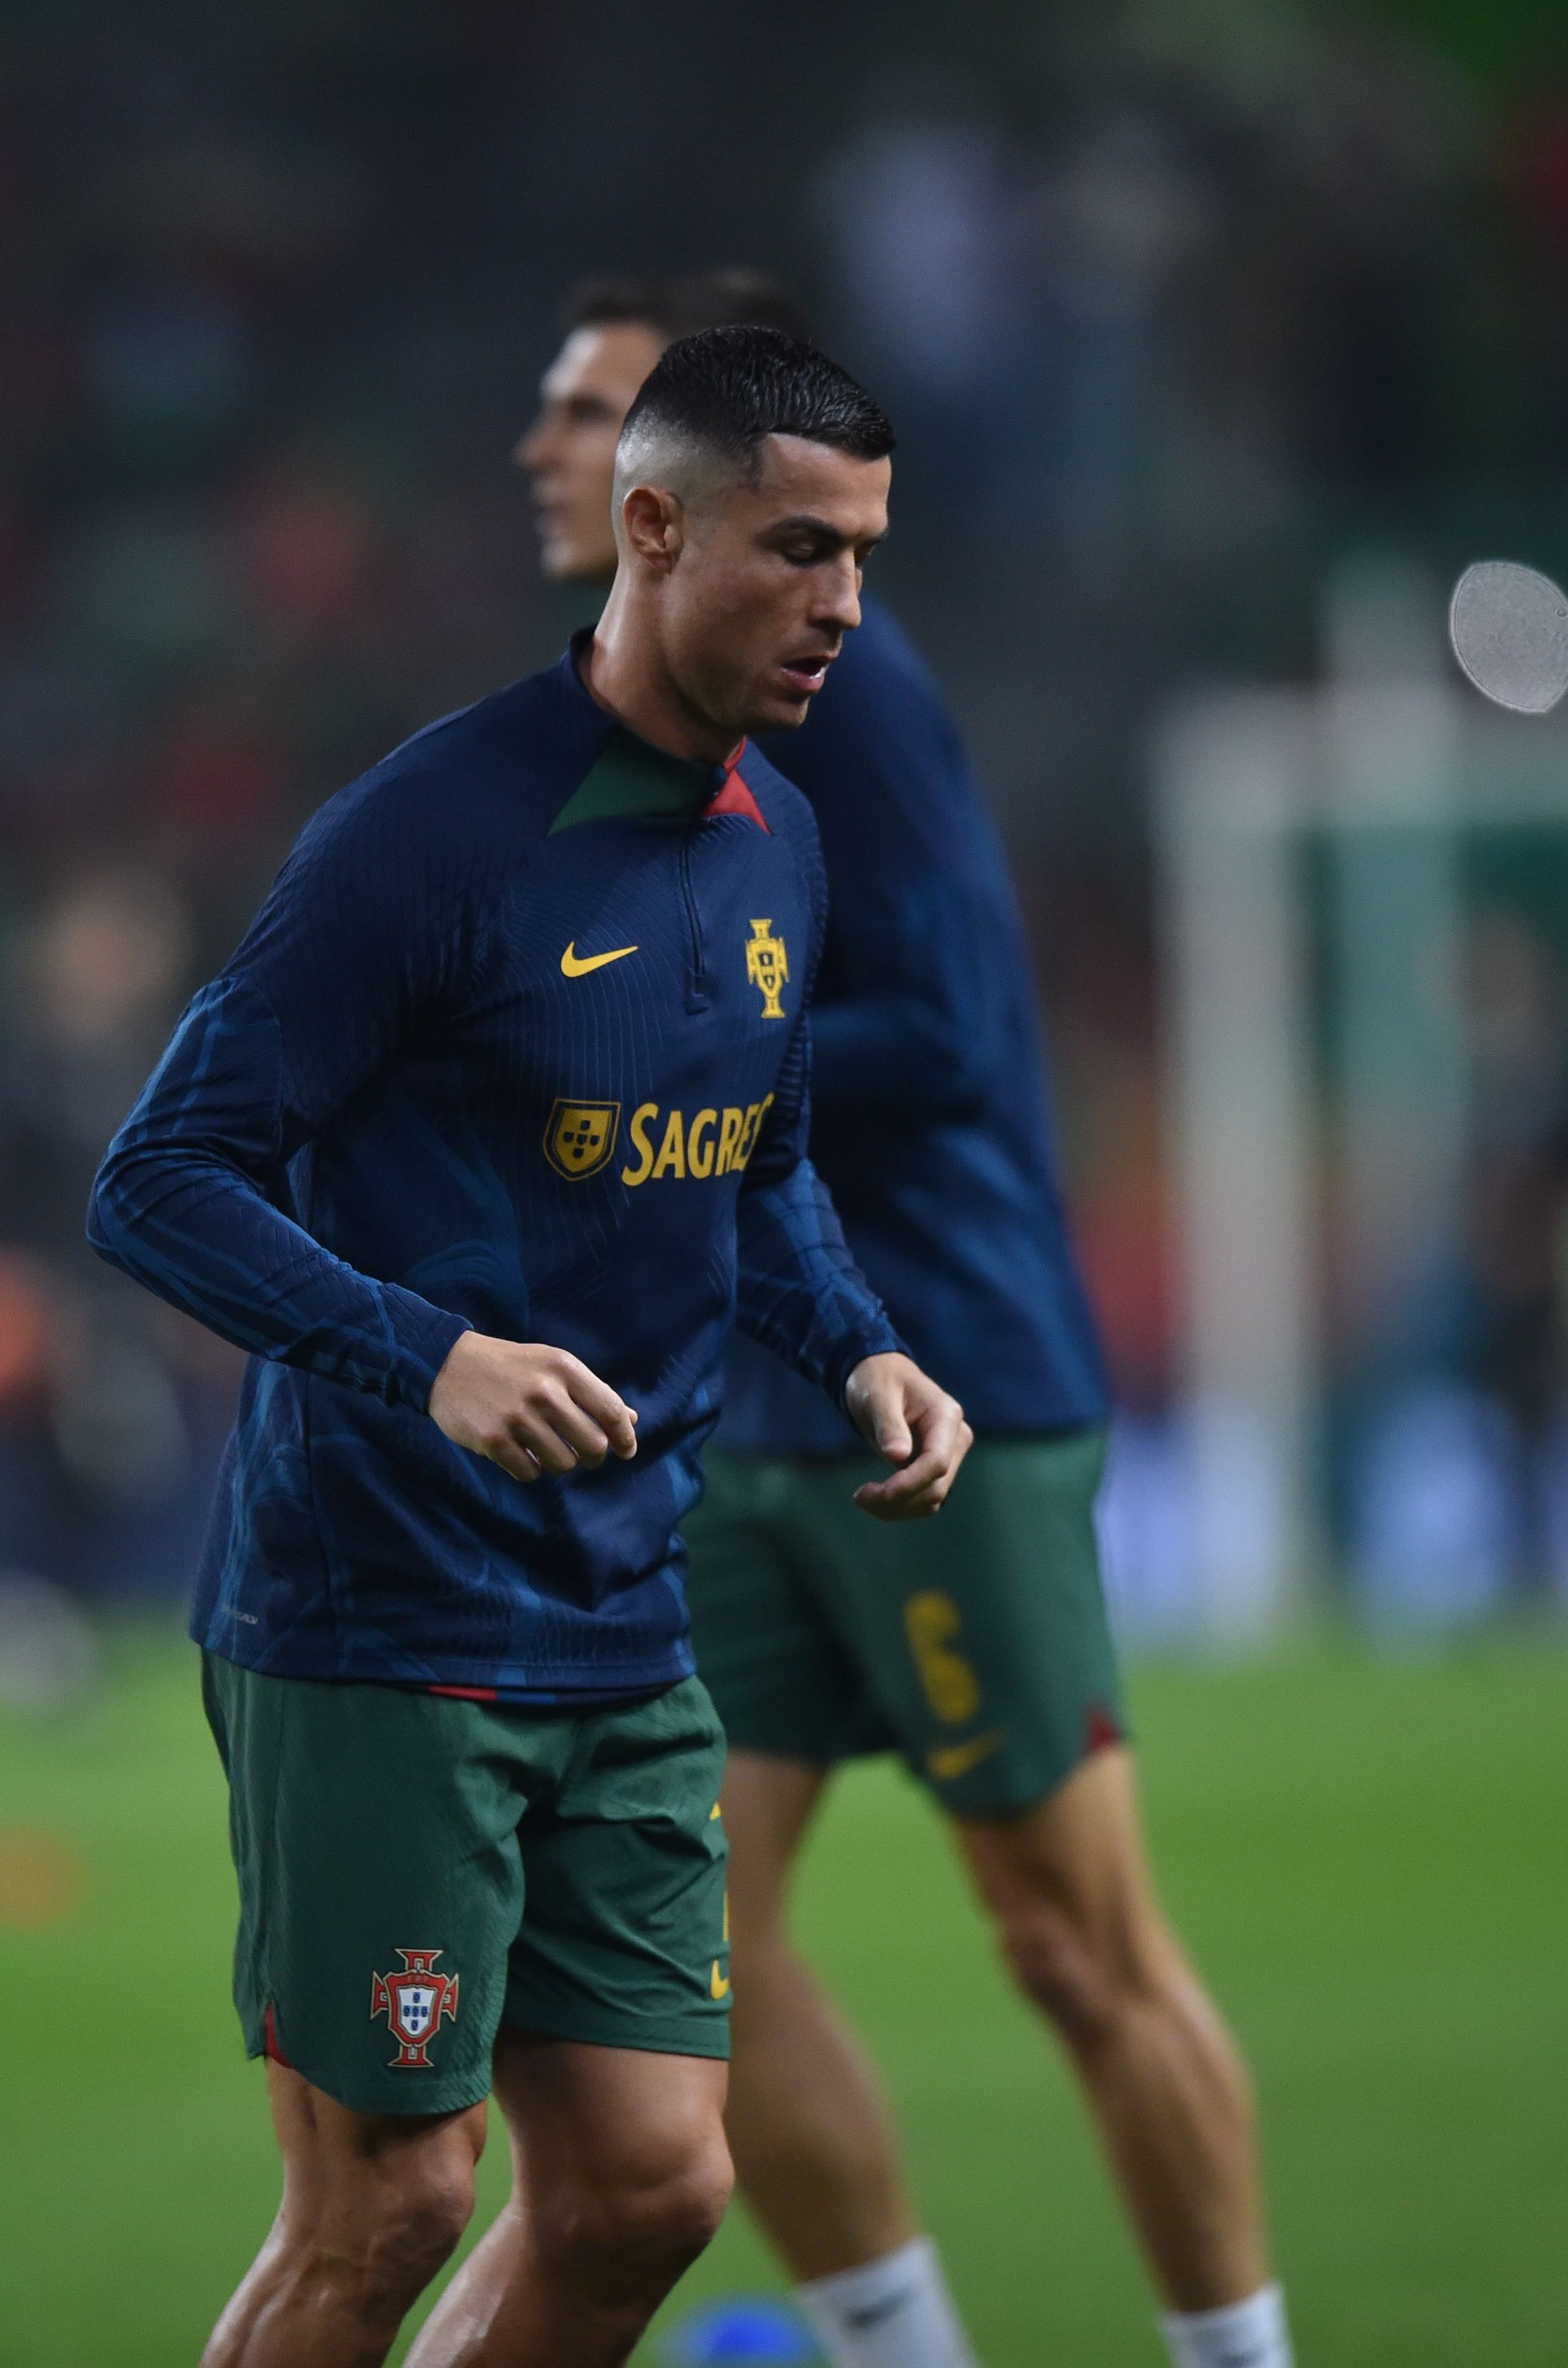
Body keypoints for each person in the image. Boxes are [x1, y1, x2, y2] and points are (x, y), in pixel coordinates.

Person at [92, 326, 972, 2368]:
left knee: (652, 2187)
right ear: (652, 530)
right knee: (391, 2201)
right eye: (800, 548)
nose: (845, 603)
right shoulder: (430, 831)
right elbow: (159, 1177)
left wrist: (860, 1350)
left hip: (623, 1619)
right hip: (384, 1616)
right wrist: (431, 1357)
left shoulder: (781, 839)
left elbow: (760, 1167)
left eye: (865, 554)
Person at [521, 277, 1292, 2368]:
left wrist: (655, 1063)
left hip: (938, 1382)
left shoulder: (838, 686)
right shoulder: (619, 728)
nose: (542, 450)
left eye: (588, 411)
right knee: (683, 1952)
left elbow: (943, 1025)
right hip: (741, 1418)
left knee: (1071, 1945)